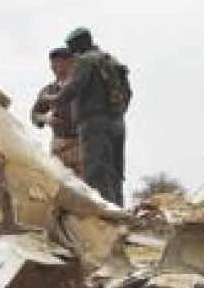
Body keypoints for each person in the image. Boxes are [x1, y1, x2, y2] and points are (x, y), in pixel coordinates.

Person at [53, 26, 131, 206]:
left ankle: (104, 218)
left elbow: (74, 87)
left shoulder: (85, 61)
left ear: (78, 45)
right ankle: (119, 213)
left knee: (95, 173)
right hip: (118, 123)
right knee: (115, 173)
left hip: (93, 124)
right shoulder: (112, 61)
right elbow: (128, 92)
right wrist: (117, 113)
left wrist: (55, 102)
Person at [29, 47, 82, 176]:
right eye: (52, 63)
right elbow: (34, 115)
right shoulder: (49, 90)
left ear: (69, 62)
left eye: (57, 62)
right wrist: (46, 119)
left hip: (80, 145)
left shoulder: (80, 86)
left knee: (85, 188)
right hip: (58, 146)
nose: (53, 66)